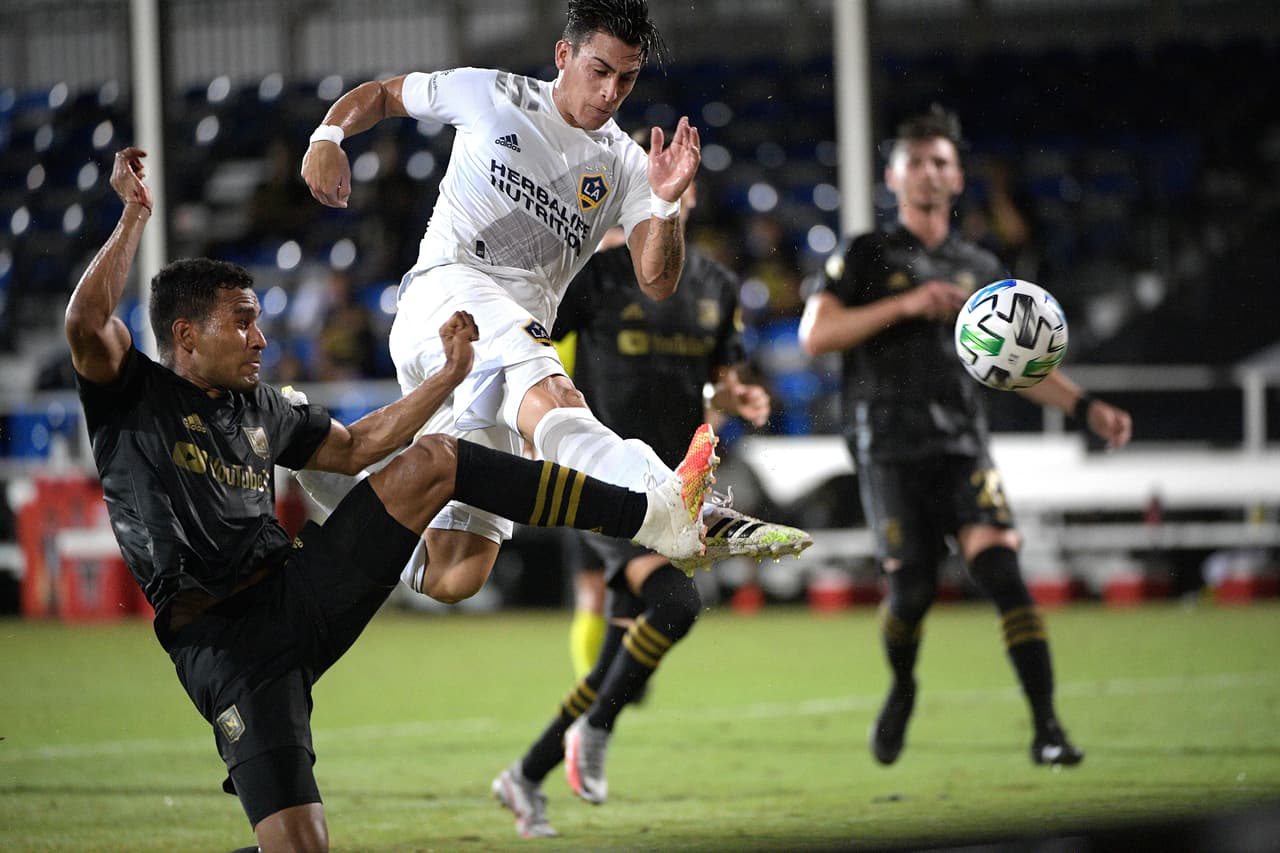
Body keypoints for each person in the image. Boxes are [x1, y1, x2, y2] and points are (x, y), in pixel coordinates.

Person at [66, 147, 722, 853]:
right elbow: (85, 322)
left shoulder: (259, 405)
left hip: (301, 589)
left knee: (437, 461)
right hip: (228, 646)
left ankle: (652, 515)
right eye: (243, 322)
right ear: (186, 335)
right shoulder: (136, 396)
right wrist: (134, 214)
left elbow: (357, 446)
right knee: (300, 848)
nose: (260, 337)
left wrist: (448, 378)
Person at [297, 0, 809, 609]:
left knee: (455, 574)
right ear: (564, 55)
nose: (610, 91)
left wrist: (666, 204)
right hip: (449, 295)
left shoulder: (627, 165)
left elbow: (657, 281)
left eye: (626, 78)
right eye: (599, 70)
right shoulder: (493, 94)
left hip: (496, 352)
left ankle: (337, 482)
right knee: (559, 398)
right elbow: (384, 95)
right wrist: (327, 134)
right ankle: (675, 505)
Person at [798, 106, 1133, 768]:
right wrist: (906, 304)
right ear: (894, 177)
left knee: (1003, 570)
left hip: (962, 446)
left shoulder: (981, 266)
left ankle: (1047, 729)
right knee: (913, 593)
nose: (929, 173)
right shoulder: (864, 255)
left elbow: (1019, 366)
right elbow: (816, 336)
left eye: (941, 162)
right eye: (916, 162)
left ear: (957, 178)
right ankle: (902, 685)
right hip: (887, 447)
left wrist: (1085, 405)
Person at [491, 178, 779, 837]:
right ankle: (595, 729)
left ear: (692, 198)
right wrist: (530, 421)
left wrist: (737, 397)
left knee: (616, 656)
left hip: (676, 486)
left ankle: (525, 775)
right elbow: (530, 346)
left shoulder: (715, 285)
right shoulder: (595, 276)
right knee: (676, 604)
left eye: (679, 188)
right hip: (603, 480)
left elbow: (722, 379)